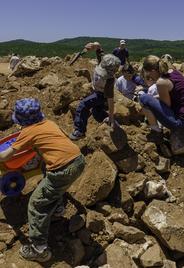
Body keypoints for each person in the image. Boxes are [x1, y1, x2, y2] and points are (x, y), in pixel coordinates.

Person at [0, 98, 85, 262]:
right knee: (49, 174)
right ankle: (58, 208)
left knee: (36, 204)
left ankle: (40, 250)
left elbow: (5, 155)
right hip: (78, 159)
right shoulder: (49, 123)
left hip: (62, 170)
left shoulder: (28, 132)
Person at [139, 55, 184, 134]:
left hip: (181, 123)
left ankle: (155, 130)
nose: (150, 77)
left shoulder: (161, 82)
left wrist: (150, 104)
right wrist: (153, 99)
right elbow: (173, 95)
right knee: (149, 98)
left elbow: (166, 105)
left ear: (153, 71)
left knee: (143, 97)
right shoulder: (173, 71)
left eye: (148, 74)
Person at [69, 54, 121, 140]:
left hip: (101, 95)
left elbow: (110, 101)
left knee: (83, 105)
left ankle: (79, 130)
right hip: (96, 91)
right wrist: (95, 45)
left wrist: (111, 117)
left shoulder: (109, 81)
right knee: (96, 111)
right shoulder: (103, 62)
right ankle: (108, 120)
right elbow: (99, 49)